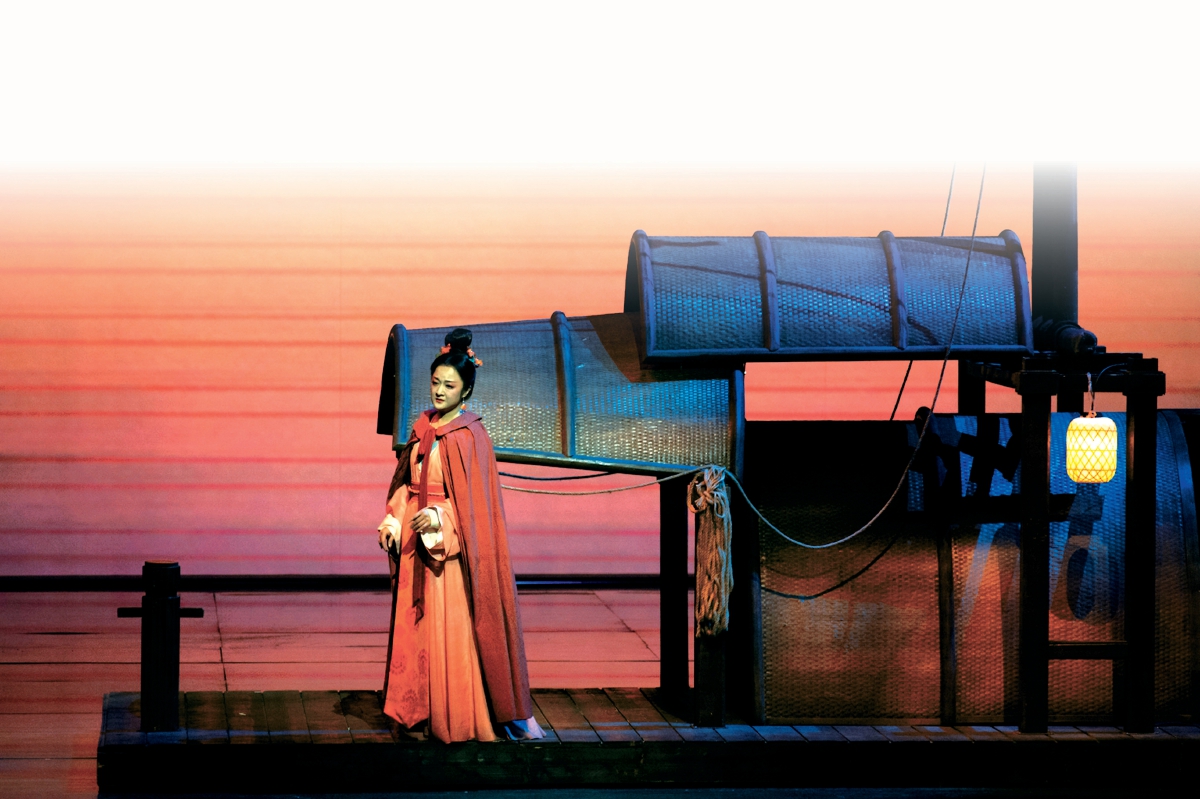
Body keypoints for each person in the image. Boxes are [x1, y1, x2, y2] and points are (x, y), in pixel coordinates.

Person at [376, 328, 544, 743]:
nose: (439, 391)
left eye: (449, 385)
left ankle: (454, 714)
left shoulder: (469, 436)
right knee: (415, 627)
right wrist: (394, 520)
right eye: (435, 382)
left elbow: (474, 507)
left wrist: (438, 517)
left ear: (466, 390)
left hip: (446, 554)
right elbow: (406, 484)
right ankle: (415, 710)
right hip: (415, 544)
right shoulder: (422, 428)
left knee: (449, 628)